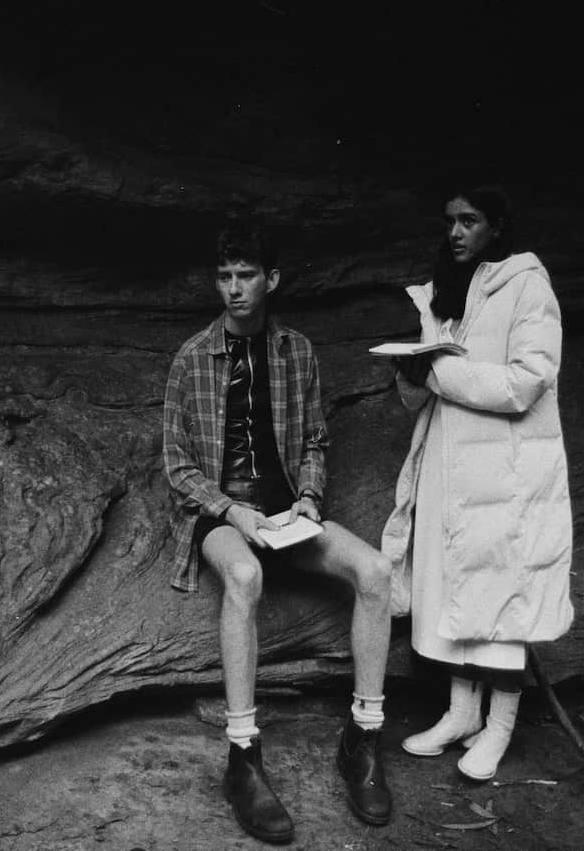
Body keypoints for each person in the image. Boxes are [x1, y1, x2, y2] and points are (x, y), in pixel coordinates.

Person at [162, 216, 394, 842]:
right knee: (243, 573)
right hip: (223, 516)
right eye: (224, 276)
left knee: (375, 571)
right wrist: (234, 511)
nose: (233, 288)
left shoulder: (297, 352)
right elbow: (177, 465)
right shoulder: (192, 358)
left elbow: (316, 440)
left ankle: (364, 740)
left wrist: (310, 501)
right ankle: (243, 757)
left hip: (290, 515)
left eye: (245, 276)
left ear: (272, 280)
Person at [381, 185, 574, 782]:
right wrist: (412, 371)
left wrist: (438, 369)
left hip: (506, 473)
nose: (457, 232)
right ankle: (462, 714)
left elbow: (526, 382)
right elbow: (424, 396)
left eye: (470, 221)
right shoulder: (444, 290)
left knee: (502, 604)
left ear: (497, 226)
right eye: (450, 222)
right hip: (449, 465)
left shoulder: (527, 285)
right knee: (453, 593)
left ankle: (499, 728)